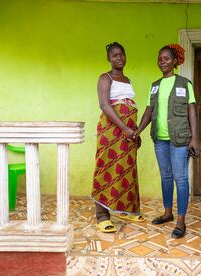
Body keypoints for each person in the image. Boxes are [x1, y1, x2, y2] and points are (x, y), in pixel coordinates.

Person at [134, 44, 198, 239]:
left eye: (167, 58)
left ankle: (181, 219)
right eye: (160, 58)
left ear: (175, 61)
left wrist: (194, 138)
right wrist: (138, 130)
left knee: (181, 178)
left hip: (179, 139)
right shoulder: (155, 85)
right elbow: (149, 110)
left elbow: (191, 110)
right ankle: (168, 212)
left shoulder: (184, 84)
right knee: (166, 177)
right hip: (159, 139)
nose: (162, 61)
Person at [91, 42, 144, 233]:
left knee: (126, 171)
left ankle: (123, 208)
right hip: (111, 132)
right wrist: (124, 128)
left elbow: (130, 106)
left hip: (128, 133)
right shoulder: (105, 78)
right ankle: (102, 216)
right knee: (106, 168)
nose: (119, 58)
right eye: (114, 55)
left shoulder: (127, 80)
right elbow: (105, 105)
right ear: (109, 58)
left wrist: (135, 132)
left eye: (121, 54)